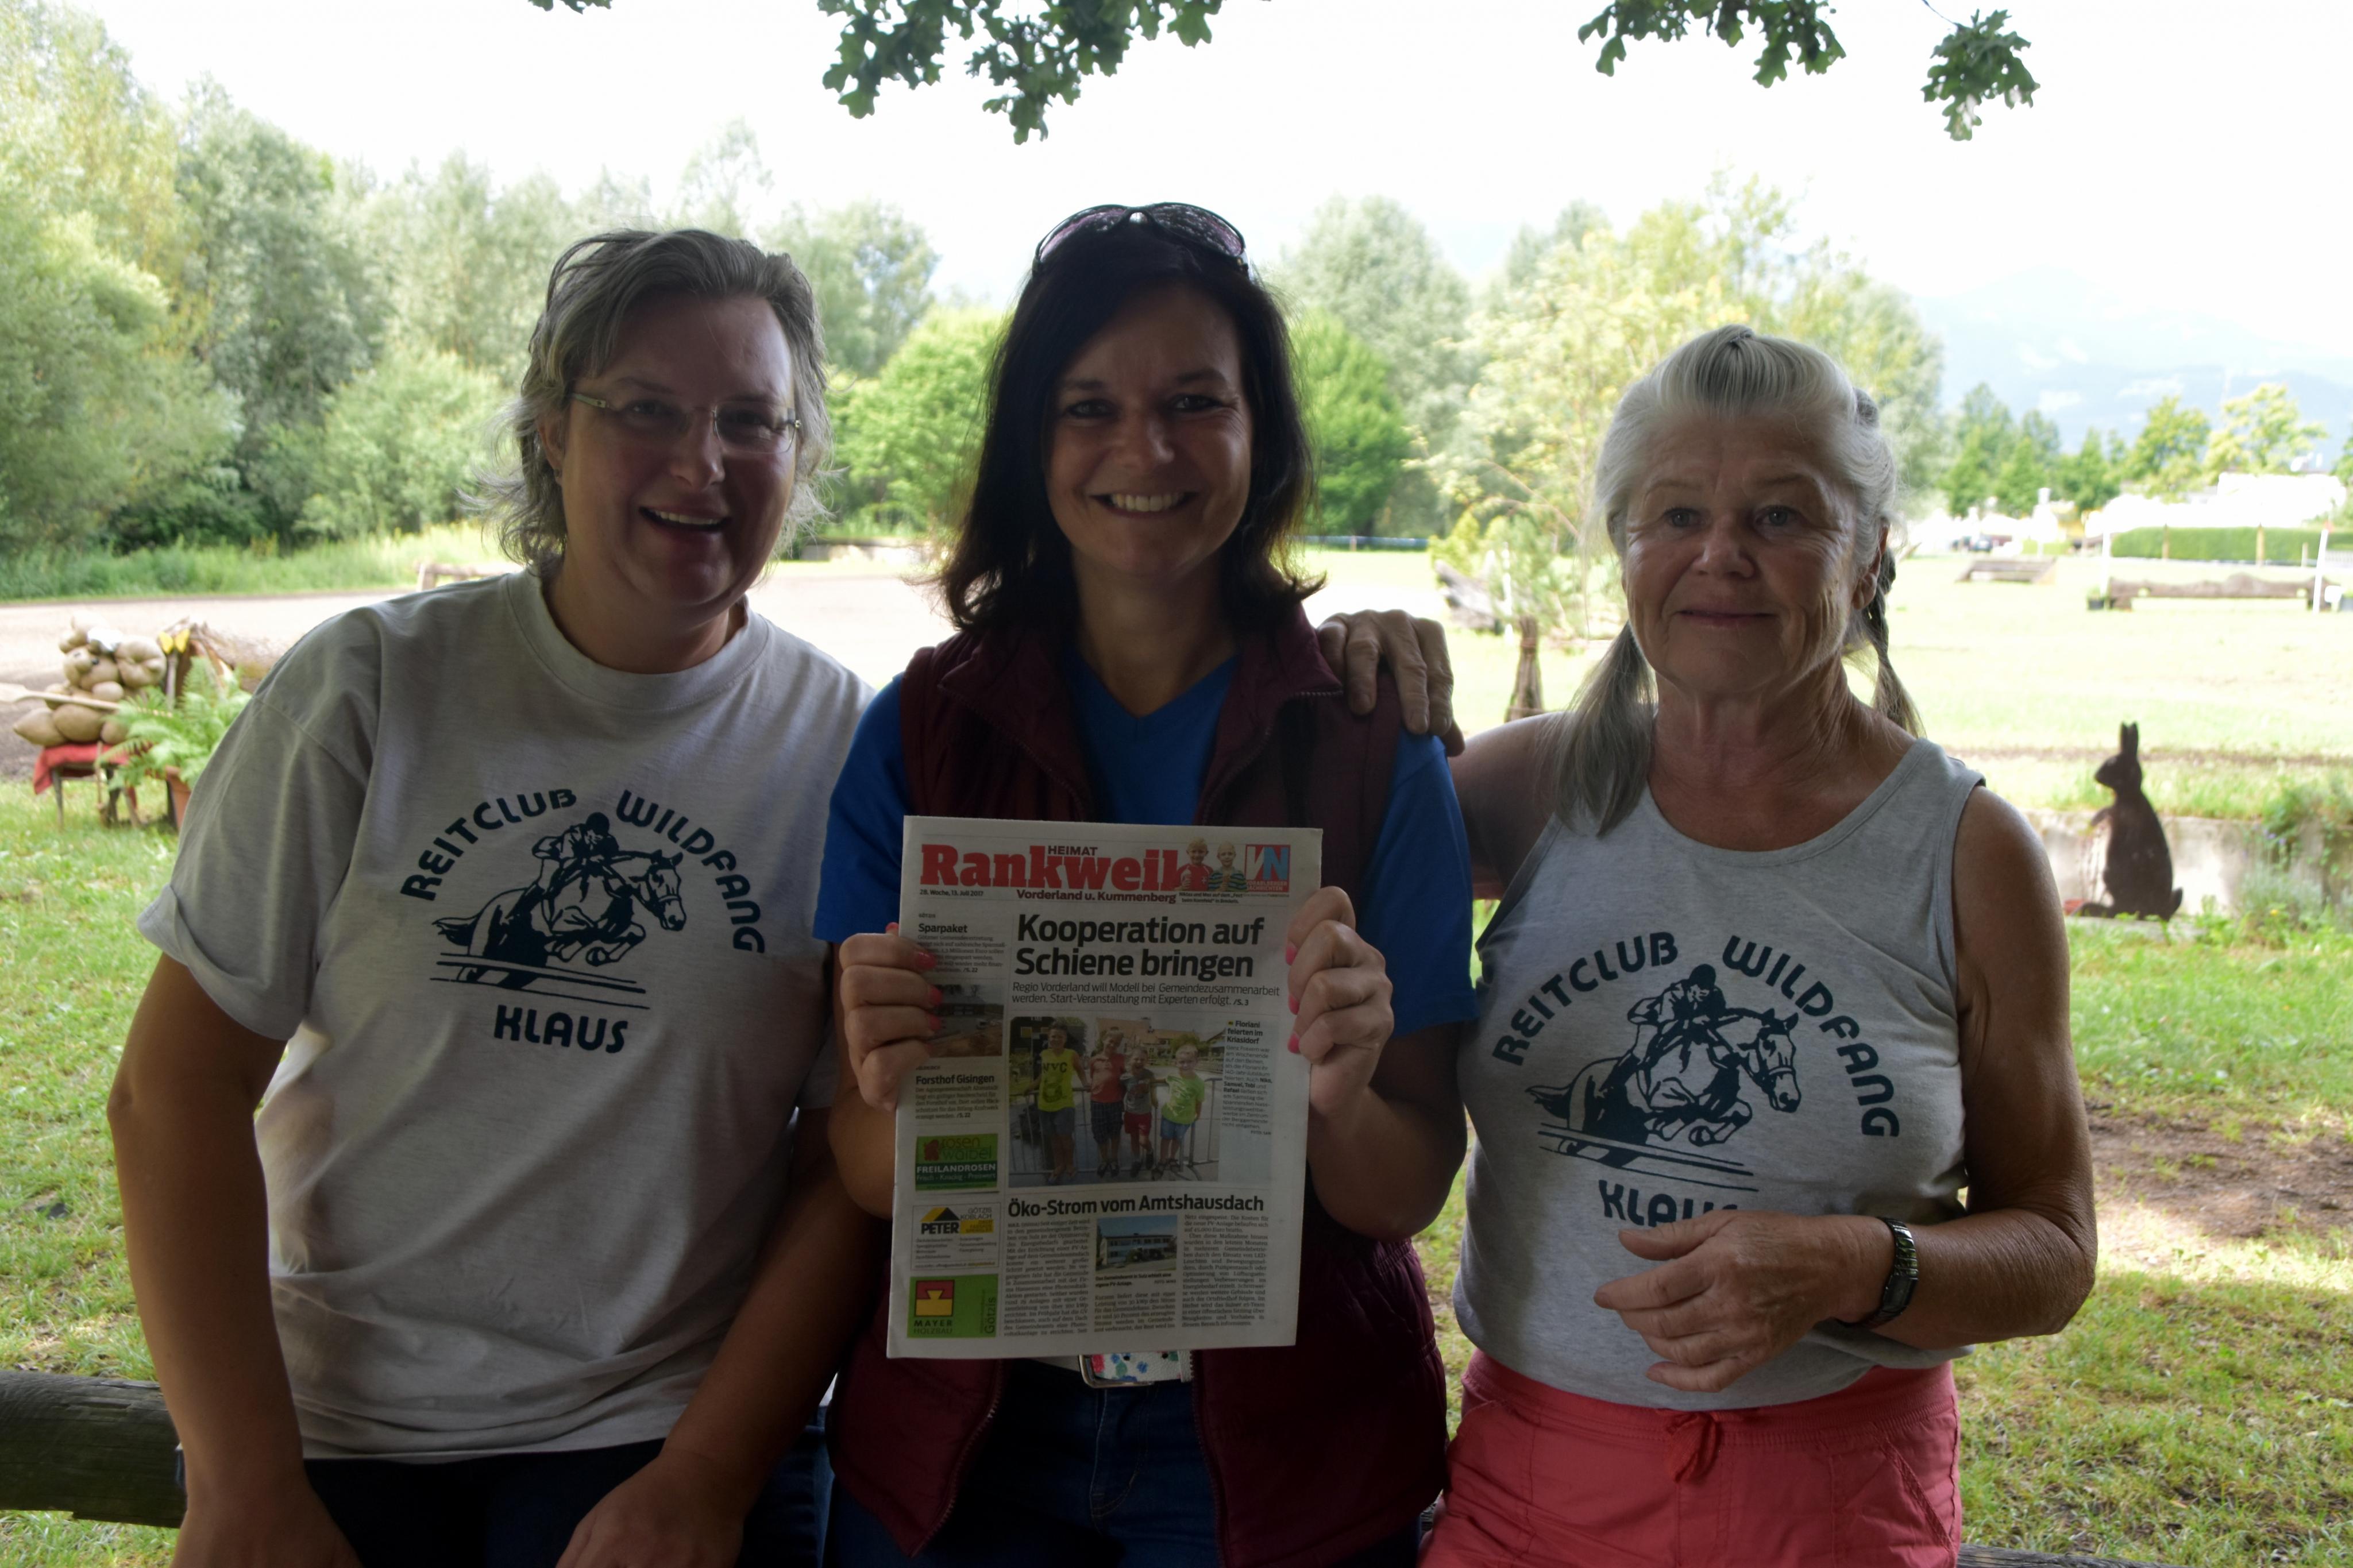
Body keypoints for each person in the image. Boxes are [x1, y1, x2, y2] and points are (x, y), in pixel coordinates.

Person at [106, 230, 882, 1568]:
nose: (702, 463)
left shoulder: (847, 752)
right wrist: (243, 1485)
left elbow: (839, 1162)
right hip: (334, 1428)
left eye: (751, 421)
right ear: (550, 432)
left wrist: (705, 1480)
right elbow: (175, 1086)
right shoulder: (369, 689)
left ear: (798, 455)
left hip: (662, 1430)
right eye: (646, 410)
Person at [815, 202, 1478, 1567]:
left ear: (1261, 434)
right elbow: (872, 1177)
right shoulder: (922, 731)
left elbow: (1403, 1188)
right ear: (1030, 441)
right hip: (970, 1442)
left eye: (1194, 402)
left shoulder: (1367, 741)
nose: (1146, 450)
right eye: (1089, 407)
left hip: (1275, 1451)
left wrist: (1336, 1097)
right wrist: (885, 1079)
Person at [1406, 325, 2096, 1566]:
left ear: (1868, 552)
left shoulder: (1964, 852)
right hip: (1531, 1490)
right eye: (1675, 514)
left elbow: (2052, 1250)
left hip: (1839, 1502)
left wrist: (1854, 1264)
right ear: (1623, 546)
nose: (1719, 554)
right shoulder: (1527, 789)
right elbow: (1275, 869)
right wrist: (1350, 673)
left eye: (1781, 517)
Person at [1156, 1043, 1209, 1176]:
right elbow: (1162, 1080)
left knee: (1177, 1139)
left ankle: (1172, 1158)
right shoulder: (1172, 1076)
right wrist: (1150, 1081)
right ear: (1176, 1063)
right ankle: (1162, 1160)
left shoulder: (1199, 1083)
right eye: (1182, 1062)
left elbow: (1199, 1101)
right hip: (1169, 1115)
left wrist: (1198, 1114)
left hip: (1185, 1118)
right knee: (1166, 1139)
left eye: (1189, 1062)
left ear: (1196, 1062)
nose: (1185, 1065)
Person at [1087, 1028, 1130, 1179]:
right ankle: (1104, 1160)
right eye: (1111, 1041)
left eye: (1117, 1044)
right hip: (1097, 1103)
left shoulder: (1121, 1059)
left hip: (1115, 1103)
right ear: (1104, 1039)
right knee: (1100, 1134)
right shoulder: (1094, 1060)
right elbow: (1093, 1078)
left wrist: (1123, 1098)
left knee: (1115, 1133)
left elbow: (1126, 1080)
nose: (1113, 1045)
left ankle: (1114, 1160)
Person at [1122, 1052, 1160, 1177]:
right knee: (1134, 1139)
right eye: (1136, 1059)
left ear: (1147, 1061)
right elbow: (1122, 1091)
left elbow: (1153, 1087)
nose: (1139, 1062)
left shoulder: (1149, 1074)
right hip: (1130, 1113)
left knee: (1143, 1141)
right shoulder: (1125, 1077)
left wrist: (1154, 1099)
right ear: (1130, 1060)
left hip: (1144, 1114)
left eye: (1143, 1060)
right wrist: (1120, 1104)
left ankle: (1150, 1151)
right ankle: (1137, 1160)